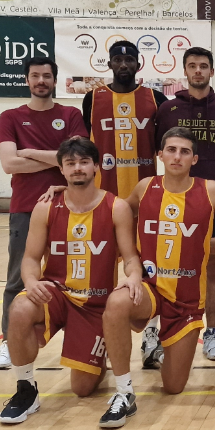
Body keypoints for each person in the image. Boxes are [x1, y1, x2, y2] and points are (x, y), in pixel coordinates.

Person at [97, 127, 215, 428]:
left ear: (194, 158)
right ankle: (124, 393)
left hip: (187, 299)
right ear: (160, 155)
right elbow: (110, 211)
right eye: (171, 150)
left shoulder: (212, 190)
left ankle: (161, 346)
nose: (177, 156)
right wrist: (68, 190)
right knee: (117, 302)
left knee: (173, 386)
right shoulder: (145, 186)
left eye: (184, 151)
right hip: (149, 288)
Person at [0, 137, 142, 424]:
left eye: (84, 162)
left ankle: (99, 355)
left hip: (94, 305)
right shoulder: (46, 207)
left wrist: (134, 276)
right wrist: (30, 281)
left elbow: (130, 256)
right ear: (61, 170)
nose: (78, 168)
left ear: (96, 167)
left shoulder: (116, 207)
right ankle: (26, 389)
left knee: (82, 389)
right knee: (20, 307)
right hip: (56, 294)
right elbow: (29, 258)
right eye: (70, 163)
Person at [0, 57, 87, 369]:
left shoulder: (70, 114)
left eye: (47, 76)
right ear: (27, 80)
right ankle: (8, 340)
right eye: (35, 76)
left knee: (76, 277)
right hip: (25, 208)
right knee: (18, 276)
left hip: (68, 208)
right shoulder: (10, 117)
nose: (41, 81)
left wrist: (30, 152)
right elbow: (9, 163)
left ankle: (80, 338)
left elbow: (79, 158)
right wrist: (59, 157)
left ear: (55, 80)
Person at [156, 47, 215, 362]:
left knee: (213, 265)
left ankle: (211, 332)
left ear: (211, 71)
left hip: (214, 199)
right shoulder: (167, 109)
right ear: (185, 70)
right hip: (172, 200)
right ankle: (157, 332)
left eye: (204, 66)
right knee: (166, 265)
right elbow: (158, 151)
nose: (198, 71)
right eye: (193, 66)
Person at [82, 40, 169, 370]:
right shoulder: (92, 98)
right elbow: (84, 149)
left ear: (138, 63)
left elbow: (167, 145)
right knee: (102, 271)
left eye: (128, 59)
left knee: (148, 271)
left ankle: (150, 338)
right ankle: (100, 338)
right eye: (117, 59)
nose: (123, 64)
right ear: (109, 63)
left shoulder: (155, 99)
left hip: (146, 201)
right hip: (104, 201)